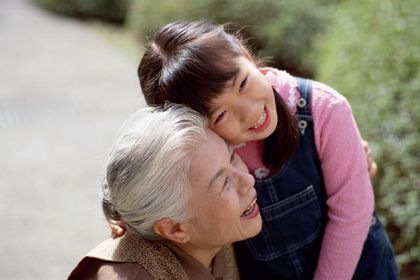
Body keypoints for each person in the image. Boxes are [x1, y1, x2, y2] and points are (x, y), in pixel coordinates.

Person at [133, 21, 398, 280]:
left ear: (245, 54)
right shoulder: (206, 150)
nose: (248, 112)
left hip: (361, 267)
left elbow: (352, 214)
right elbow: (144, 168)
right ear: (197, 126)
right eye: (222, 114)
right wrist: (123, 213)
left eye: (242, 84)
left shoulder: (324, 109)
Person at [69, 104, 262, 279]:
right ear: (174, 229)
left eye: (232, 157)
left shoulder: (214, 240)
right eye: (224, 182)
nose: (248, 180)